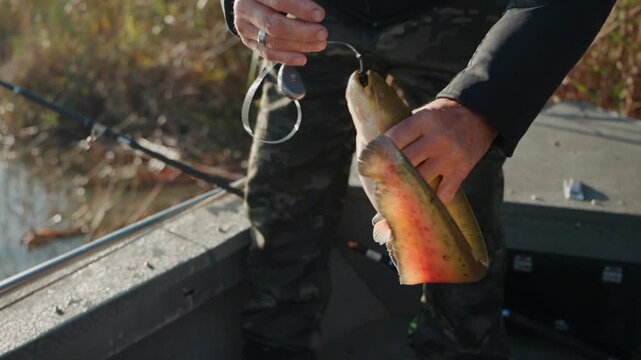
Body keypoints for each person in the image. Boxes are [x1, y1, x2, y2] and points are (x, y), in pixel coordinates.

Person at [219, 0, 615, 359]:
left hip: (459, 18)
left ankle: (461, 349)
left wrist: (483, 101)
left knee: (462, 203)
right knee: (282, 199)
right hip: (310, 16)